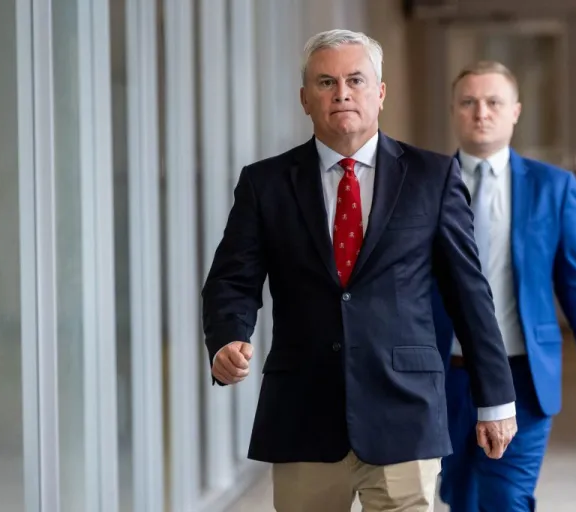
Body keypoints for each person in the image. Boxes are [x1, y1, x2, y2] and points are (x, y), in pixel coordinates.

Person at [201, 31, 518, 512]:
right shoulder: (264, 183)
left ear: (380, 92)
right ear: (305, 98)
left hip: (405, 411)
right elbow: (232, 279)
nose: (342, 93)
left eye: (355, 79)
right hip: (303, 414)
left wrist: (494, 398)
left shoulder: (432, 177)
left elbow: (469, 294)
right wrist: (228, 336)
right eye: (326, 82)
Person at [433, 60, 576, 512]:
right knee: (459, 494)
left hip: (524, 372)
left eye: (493, 102)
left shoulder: (552, 187)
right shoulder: (425, 183)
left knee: (507, 497)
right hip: (446, 372)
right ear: (455, 111)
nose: (482, 112)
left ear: (515, 111)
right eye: (469, 102)